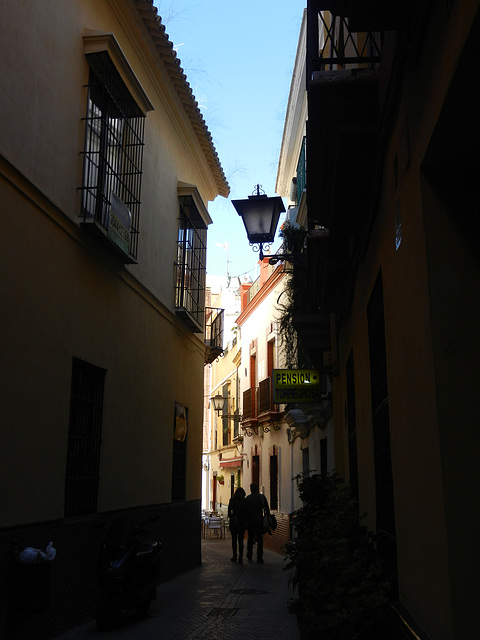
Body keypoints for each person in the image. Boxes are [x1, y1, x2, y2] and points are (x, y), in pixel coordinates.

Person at [245, 482, 270, 564]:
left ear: (251, 489)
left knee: (250, 538)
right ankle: (259, 557)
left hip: (250, 521)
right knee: (260, 539)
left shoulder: (248, 498)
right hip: (259, 521)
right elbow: (267, 509)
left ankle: (249, 554)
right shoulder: (262, 497)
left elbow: (246, 511)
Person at [228, 487, 247, 564]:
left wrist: (232, 517)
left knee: (234, 539)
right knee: (241, 540)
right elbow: (247, 512)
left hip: (234, 522)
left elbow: (229, 512)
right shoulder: (244, 501)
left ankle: (234, 555)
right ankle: (240, 557)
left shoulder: (232, 500)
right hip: (242, 522)